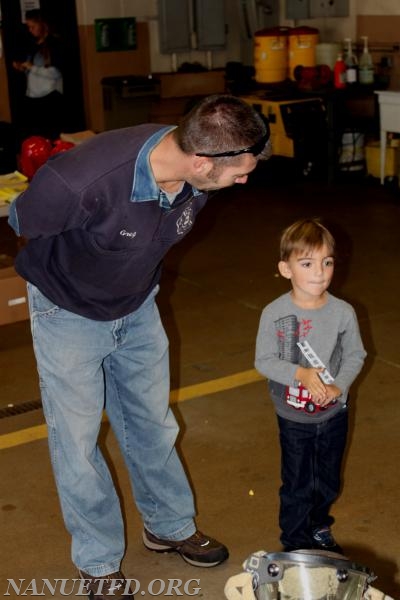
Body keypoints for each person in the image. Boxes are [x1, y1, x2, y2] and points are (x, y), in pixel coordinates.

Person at [8, 95, 271, 599]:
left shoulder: (195, 172)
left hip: (138, 305)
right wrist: (74, 274)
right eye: (238, 173)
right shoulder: (83, 180)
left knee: (153, 423)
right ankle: (99, 561)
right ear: (201, 161)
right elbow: (26, 222)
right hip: (67, 313)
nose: (244, 181)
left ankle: (168, 526)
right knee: (78, 443)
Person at [255, 218, 366, 555]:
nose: (320, 272)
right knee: (298, 483)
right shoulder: (275, 313)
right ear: (285, 269)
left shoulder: (343, 313)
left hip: (334, 412)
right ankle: (294, 543)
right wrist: (299, 375)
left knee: (328, 480)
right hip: (294, 418)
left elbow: (355, 354)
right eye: (307, 263)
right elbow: (264, 361)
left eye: (327, 261)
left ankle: (318, 526)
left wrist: (339, 387)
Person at [12, 9, 65, 142]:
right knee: (37, 137)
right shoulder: (33, 45)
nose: (30, 30)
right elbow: (34, 71)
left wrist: (32, 68)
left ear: (42, 24)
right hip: (34, 97)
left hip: (49, 96)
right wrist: (23, 68)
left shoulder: (54, 44)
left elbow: (55, 73)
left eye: (32, 26)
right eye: (28, 27)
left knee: (51, 137)